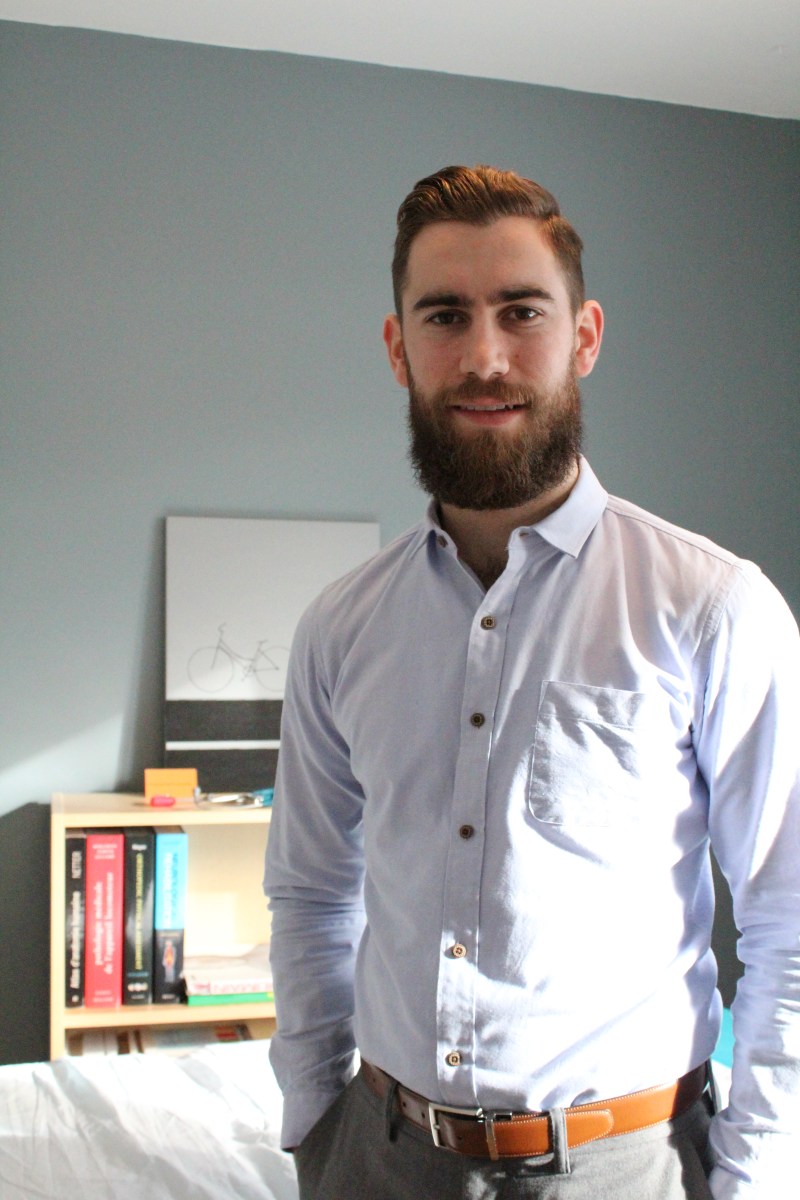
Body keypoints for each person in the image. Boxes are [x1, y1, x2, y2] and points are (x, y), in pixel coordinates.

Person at [263, 165, 800, 1199]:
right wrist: (315, 1127)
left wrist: (757, 1180)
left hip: (626, 1164)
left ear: (583, 336)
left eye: (521, 312)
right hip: (379, 1159)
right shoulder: (340, 627)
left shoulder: (710, 607)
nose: (484, 356)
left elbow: (789, 918)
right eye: (444, 316)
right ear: (397, 348)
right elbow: (311, 891)